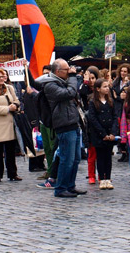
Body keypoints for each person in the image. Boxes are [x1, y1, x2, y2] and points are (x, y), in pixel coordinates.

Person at [45, 59, 86, 198]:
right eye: (67, 69)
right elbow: (69, 93)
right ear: (58, 71)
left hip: (73, 123)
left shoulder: (64, 81)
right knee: (66, 159)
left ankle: (70, 186)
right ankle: (60, 188)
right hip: (64, 125)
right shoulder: (50, 84)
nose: (69, 71)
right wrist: (73, 77)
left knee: (75, 159)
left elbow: (74, 93)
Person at [87, 79, 118, 189]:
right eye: (104, 86)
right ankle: (102, 179)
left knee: (108, 157)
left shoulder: (110, 101)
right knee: (100, 157)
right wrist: (103, 134)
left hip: (110, 133)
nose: (107, 88)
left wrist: (113, 132)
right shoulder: (93, 102)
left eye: (107, 86)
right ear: (98, 89)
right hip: (99, 134)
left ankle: (108, 178)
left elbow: (115, 117)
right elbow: (93, 119)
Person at [112, 63, 130, 162]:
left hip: (126, 108)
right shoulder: (116, 82)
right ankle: (122, 151)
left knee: (126, 130)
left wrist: (118, 97)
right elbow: (113, 95)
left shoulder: (129, 82)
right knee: (119, 130)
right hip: (117, 108)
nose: (123, 73)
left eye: (125, 71)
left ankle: (127, 151)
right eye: (122, 71)